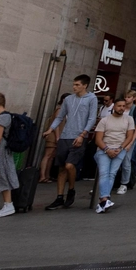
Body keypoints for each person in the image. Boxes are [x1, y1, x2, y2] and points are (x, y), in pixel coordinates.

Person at [43, 75, 98, 210]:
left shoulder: (91, 98)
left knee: (69, 165)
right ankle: (60, 196)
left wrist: (83, 134)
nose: (74, 87)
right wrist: (50, 129)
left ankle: (71, 189)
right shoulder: (68, 99)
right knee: (61, 167)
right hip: (65, 136)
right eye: (74, 84)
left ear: (85, 85)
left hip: (79, 136)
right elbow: (60, 116)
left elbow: (92, 118)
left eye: (77, 85)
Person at [93, 96, 136, 213]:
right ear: (114, 106)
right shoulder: (105, 120)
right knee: (104, 173)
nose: (121, 108)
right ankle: (104, 199)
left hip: (119, 150)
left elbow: (129, 136)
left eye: (124, 106)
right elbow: (98, 139)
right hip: (104, 150)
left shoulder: (129, 119)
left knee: (112, 173)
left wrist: (120, 148)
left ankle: (104, 200)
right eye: (119, 106)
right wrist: (107, 149)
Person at [118, 89, 136, 194]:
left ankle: (124, 183)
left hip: (130, 138)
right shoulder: (120, 108)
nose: (126, 99)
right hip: (118, 137)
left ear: (133, 98)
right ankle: (115, 181)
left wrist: (131, 142)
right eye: (125, 97)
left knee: (126, 160)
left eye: (129, 97)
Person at [39, 93, 69, 183]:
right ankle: (42, 176)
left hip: (58, 135)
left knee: (51, 156)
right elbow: (56, 124)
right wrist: (57, 137)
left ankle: (47, 176)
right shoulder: (59, 110)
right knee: (48, 155)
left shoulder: (64, 110)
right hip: (53, 135)